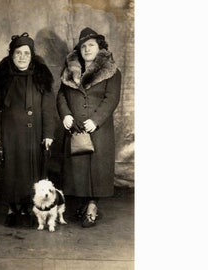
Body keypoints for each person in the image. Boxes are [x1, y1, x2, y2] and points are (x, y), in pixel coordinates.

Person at [0, 32, 56, 227]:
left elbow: (48, 109)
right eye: (18, 53)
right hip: (10, 136)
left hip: (34, 136)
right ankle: (12, 208)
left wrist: (48, 136)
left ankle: (28, 208)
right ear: (11, 54)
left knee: (32, 173)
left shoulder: (42, 77)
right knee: (10, 172)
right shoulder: (1, 78)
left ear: (32, 55)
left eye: (26, 53)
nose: (22, 57)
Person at [57, 27, 122, 228]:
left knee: (97, 169)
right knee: (79, 168)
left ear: (99, 47)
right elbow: (61, 96)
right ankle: (84, 203)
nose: (87, 49)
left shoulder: (112, 71)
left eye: (91, 45)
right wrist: (66, 114)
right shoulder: (69, 71)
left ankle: (92, 207)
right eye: (83, 46)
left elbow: (112, 99)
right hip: (76, 128)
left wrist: (96, 120)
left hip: (98, 129)